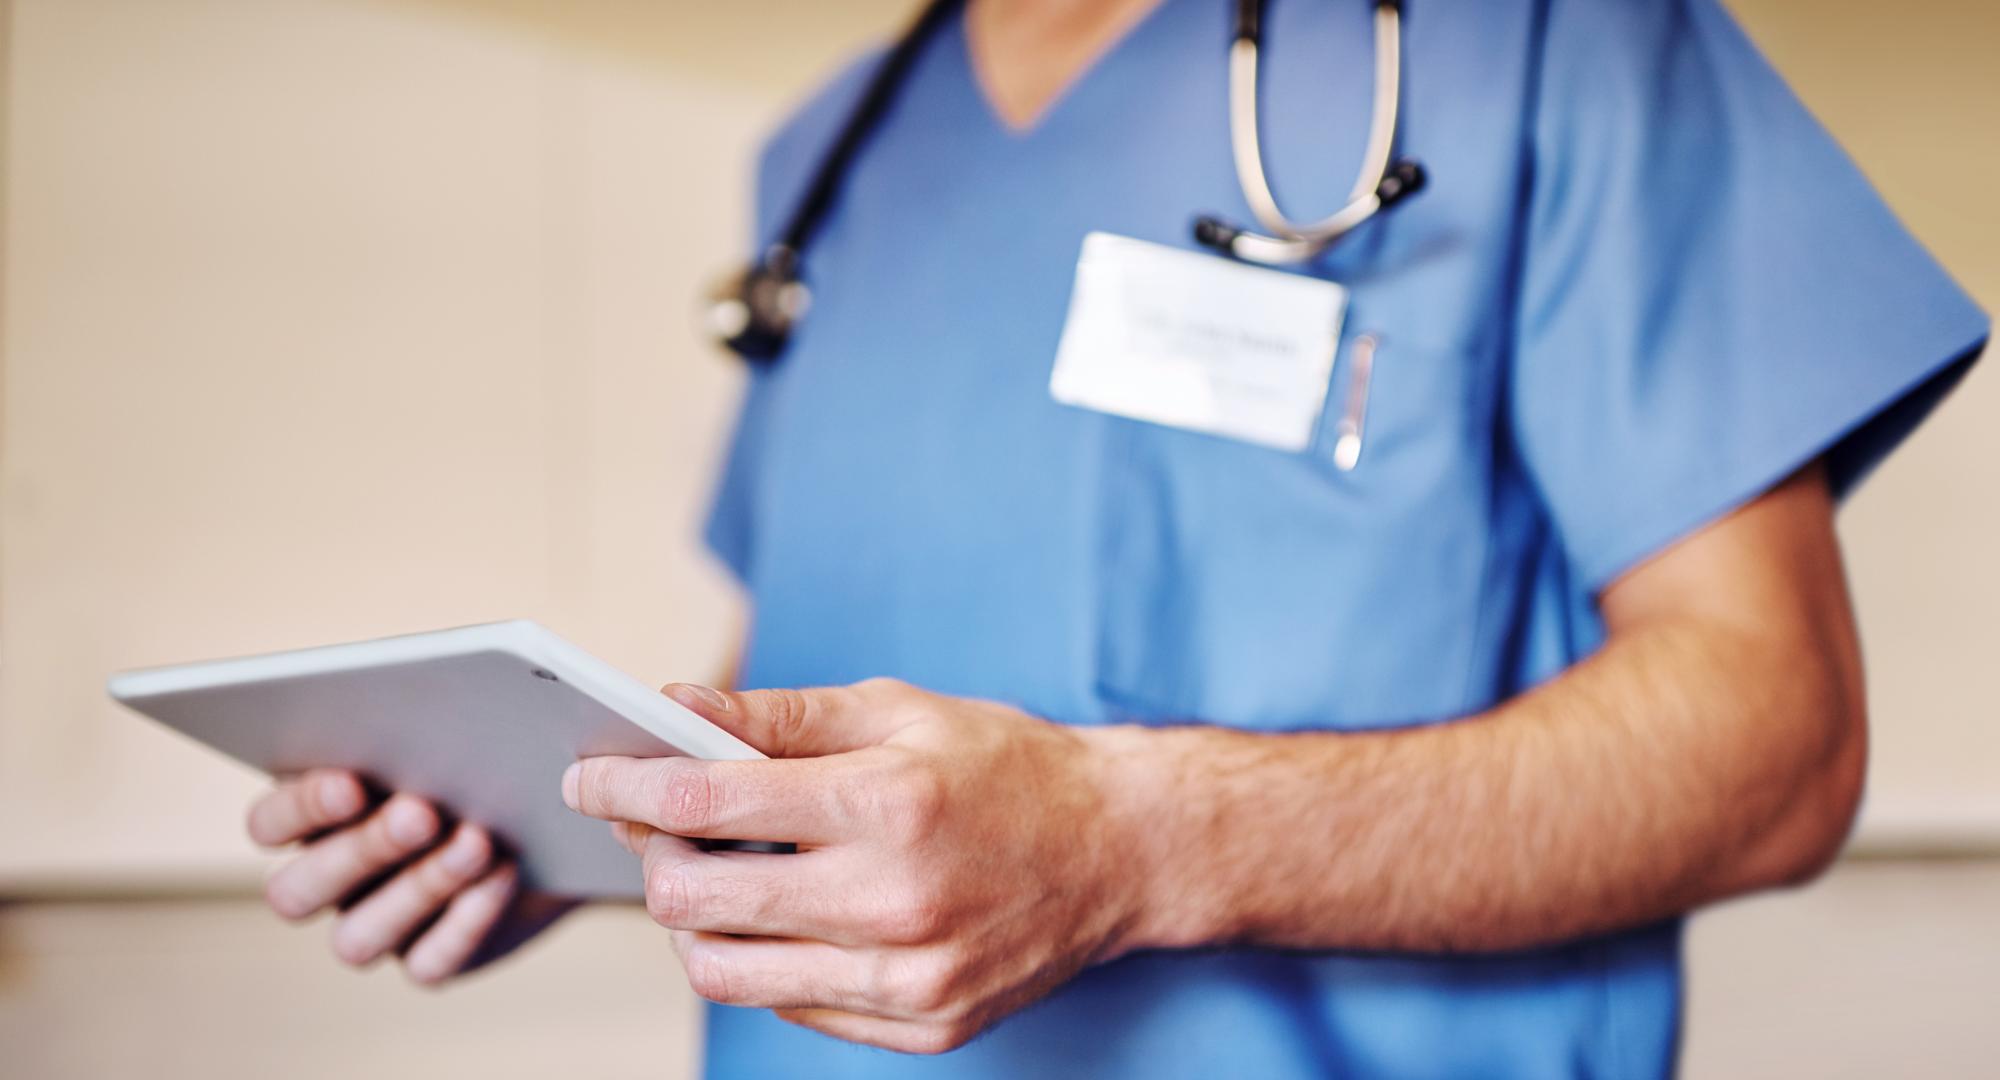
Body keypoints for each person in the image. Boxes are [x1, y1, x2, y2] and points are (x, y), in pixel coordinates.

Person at [243, 0, 1989, 1075]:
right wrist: (560, 816)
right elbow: (789, 702)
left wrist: (1137, 841)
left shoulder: (1547, 38)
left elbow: (1778, 744)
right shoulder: (830, 156)